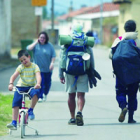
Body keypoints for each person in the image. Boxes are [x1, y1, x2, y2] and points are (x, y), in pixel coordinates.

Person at [59, 24, 98, 126]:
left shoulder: (67, 40)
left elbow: (62, 58)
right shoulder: (85, 41)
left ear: (72, 29)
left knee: (71, 95)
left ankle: (72, 118)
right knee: (81, 95)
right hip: (83, 71)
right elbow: (91, 57)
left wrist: (61, 73)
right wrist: (91, 71)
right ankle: (79, 112)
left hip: (69, 72)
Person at [109, 20, 140, 123]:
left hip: (120, 72)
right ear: (134, 28)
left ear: (125, 29)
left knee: (120, 91)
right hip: (134, 73)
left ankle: (123, 107)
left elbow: (111, 55)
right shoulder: (137, 41)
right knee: (132, 94)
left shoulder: (119, 40)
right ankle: (130, 118)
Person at [7, 50, 41, 130]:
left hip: (31, 87)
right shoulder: (20, 67)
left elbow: (38, 76)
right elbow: (13, 76)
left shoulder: (34, 66)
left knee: (36, 93)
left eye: (24, 59)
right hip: (20, 86)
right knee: (15, 103)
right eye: (21, 61)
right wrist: (11, 83)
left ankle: (30, 110)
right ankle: (14, 122)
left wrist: (38, 83)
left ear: (29, 57)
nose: (23, 61)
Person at [27, 31, 56, 102]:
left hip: (48, 69)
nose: (42, 39)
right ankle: (40, 96)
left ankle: (45, 94)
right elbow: (28, 48)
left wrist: (52, 63)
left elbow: (53, 55)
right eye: (41, 37)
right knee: (40, 83)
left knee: (47, 83)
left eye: (44, 38)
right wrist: (36, 42)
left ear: (46, 39)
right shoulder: (36, 45)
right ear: (38, 38)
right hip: (38, 69)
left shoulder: (50, 45)